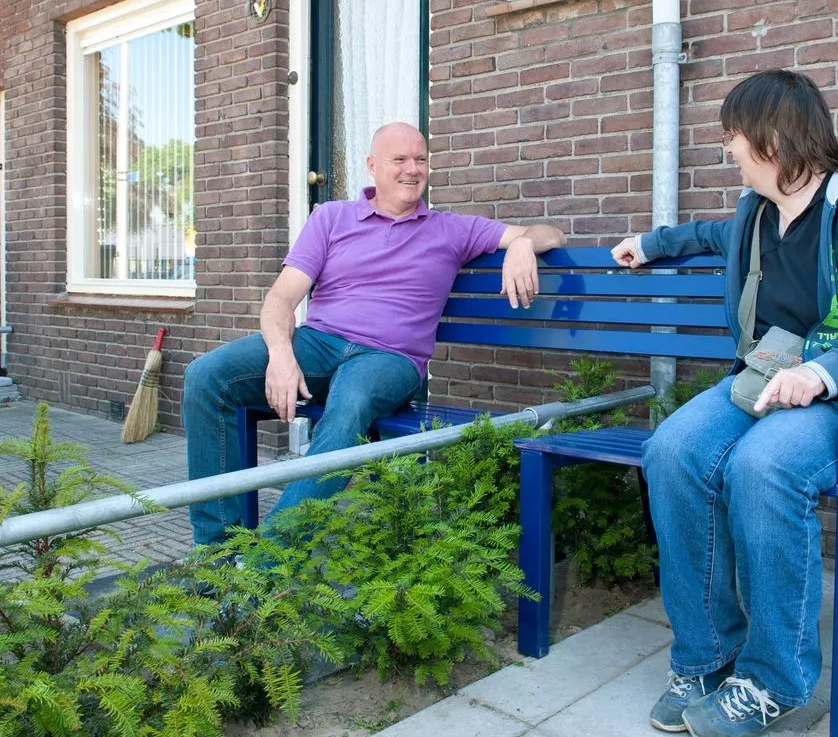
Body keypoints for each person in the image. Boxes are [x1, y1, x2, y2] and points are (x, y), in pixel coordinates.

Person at [610, 69, 838, 737]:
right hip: (764, 377)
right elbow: (712, 234)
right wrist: (651, 244)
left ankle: (773, 679)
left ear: (772, 137)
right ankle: (706, 657)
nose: (727, 147)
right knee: (670, 450)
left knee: (763, 466)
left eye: (733, 134)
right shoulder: (760, 211)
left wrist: (823, 373)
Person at [184, 121, 566, 547]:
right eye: (399, 159)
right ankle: (215, 553)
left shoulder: (451, 229)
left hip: (390, 358)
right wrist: (281, 354)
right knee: (206, 377)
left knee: (350, 404)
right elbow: (280, 299)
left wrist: (521, 244)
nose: (412, 169)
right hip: (319, 343)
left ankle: (265, 565)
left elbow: (552, 234)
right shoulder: (331, 218)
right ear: (372, 166)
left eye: (420, 159)